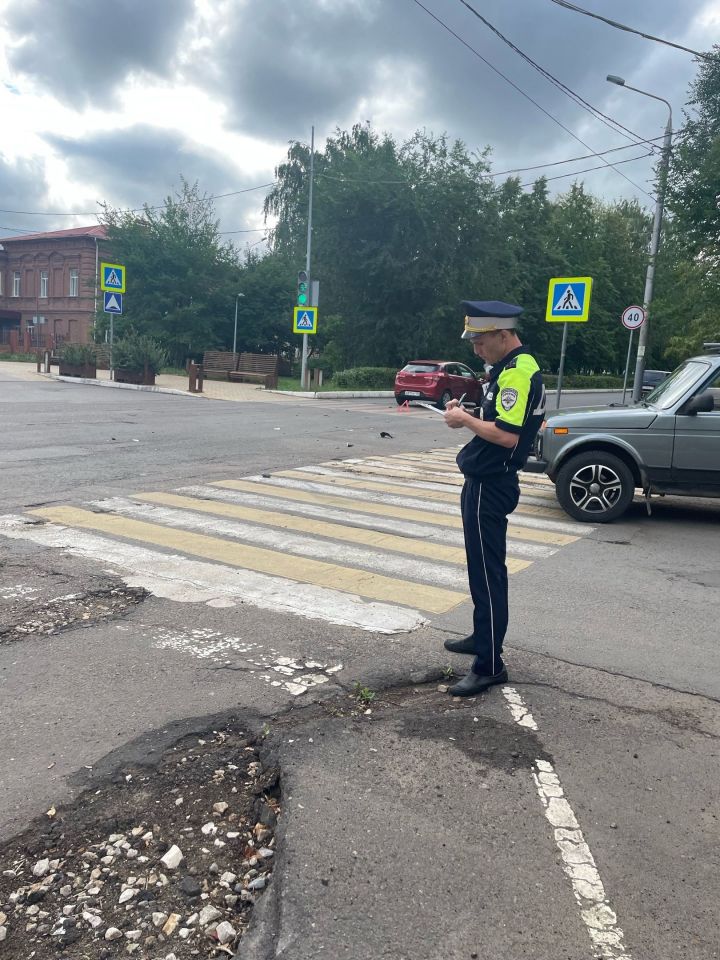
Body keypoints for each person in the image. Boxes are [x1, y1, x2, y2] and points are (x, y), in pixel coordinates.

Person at [442, 300, 546, 697]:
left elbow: (507, 435)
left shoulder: (518, 374)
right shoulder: (509, 370)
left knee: (488, 574)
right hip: (484, 481)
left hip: (491, 485)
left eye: (481, 341)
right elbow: (500, 422)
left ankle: (489, 666)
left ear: (503, 335)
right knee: (480, 568)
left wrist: (465, 420)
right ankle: (481, 637)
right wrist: (467, 411)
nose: (476, 350)